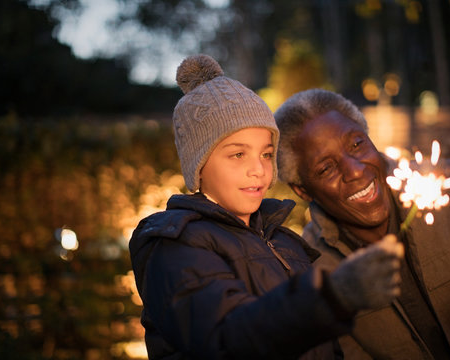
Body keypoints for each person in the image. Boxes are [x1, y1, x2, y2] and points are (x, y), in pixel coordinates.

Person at [129, 55, 405, 359]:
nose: (258, 170)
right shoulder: (175, 246)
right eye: (238, 155)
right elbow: (225, 340)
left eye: (265, 154)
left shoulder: (284, 242)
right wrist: (330, 299)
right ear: (199, 164)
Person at [274, 88, 450, 359]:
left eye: (357, 144)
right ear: (302, 191)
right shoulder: (315, 271)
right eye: (325, 168)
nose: (355, 170)